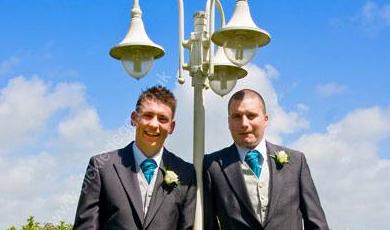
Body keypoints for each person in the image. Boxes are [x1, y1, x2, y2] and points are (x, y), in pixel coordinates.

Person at [203, 89, 329, 230]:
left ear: (265, 119)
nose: (244, 123)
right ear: (229, 122)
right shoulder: (211, 165)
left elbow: (317, 223)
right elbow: (208, 225)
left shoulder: (296, 162)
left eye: (251, 116)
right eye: (237, 116)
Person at [74, 85, 196, 230]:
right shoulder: (101, 167)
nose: (154, 124)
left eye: (162, 119)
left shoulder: (187, 173)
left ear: (171, 127)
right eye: (148, 115)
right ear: (134, 118)